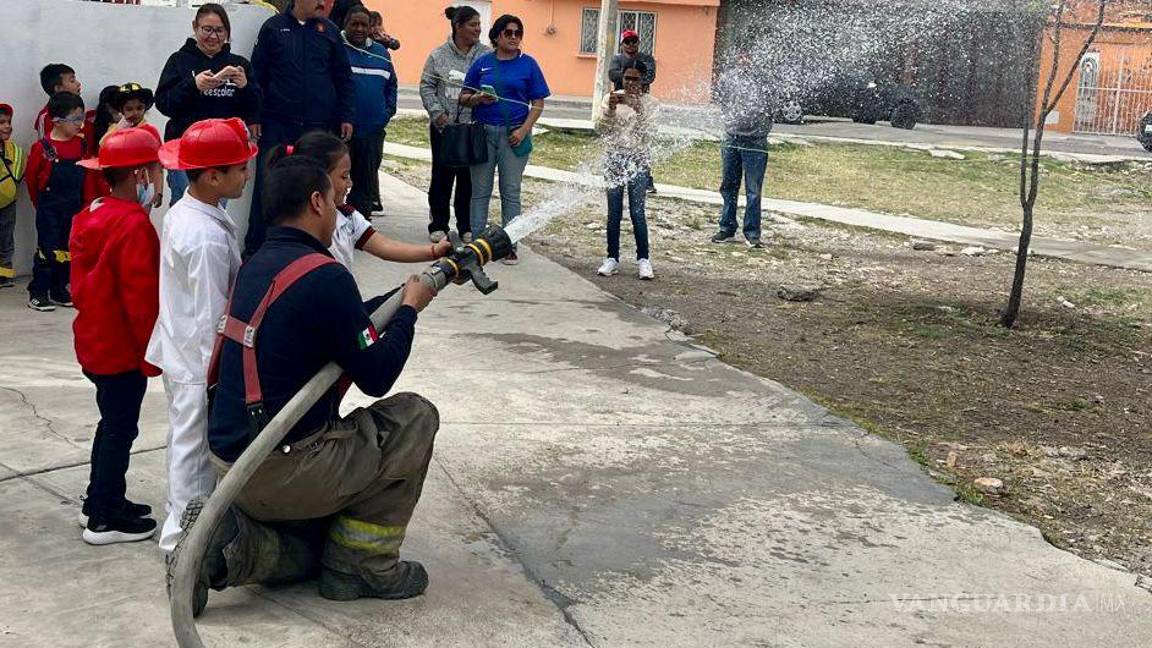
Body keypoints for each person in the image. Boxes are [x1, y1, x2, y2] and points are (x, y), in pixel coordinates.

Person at [172, 155, 439, 614]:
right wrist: (410, 313)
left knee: (316, 544)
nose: (337, 211)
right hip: (286, 470)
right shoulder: (326, 276)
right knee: (414, 417)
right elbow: (377, 375)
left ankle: (223, 548)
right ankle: (365, 566)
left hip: (233, 463)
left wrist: (399, 299)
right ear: (317, 202)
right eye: (335, 201)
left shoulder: (258, 264)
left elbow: (344, 322)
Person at [146, 118, 258, 554]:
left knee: (183, 443)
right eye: (240, 168)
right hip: (196, 358)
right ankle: (183, 546)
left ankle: (182, 527)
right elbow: (214, 313)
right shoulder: (206, 238)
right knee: (193, 456)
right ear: (213, 176)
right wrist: (222, 368)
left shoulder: (186, 212)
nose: (247, 175)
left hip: (179, 347)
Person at [70, 128, 164, 545]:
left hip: (94, 342)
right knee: (120, 430)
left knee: (110, 425)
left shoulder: (91, 213)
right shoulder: (133, 226)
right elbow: (140, 301)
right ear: (140, 176)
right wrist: (152, 356)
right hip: (122, 350)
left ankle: (100, 499)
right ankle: (103, 518)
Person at [248, 0, 356, 256]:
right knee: (268, 185)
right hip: (277, 125)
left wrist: (347, 116)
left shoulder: (329, 32)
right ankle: (256, 248)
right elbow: (257, 76)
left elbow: (344, 79)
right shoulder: (273, 28)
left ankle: (312, 248)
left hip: (317, 128)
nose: (322, 3)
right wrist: (254, 116)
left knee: (315, 187)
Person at [270, 131, 451, 269]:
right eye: (344, 176)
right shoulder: (296, 224)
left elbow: (385, 246)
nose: (350, 183)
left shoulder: (348, 216)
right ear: (319, 177)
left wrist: (434, 251)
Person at [459, 14, 549, 266]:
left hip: (514, 135)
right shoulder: (482, 63)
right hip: (483, 133)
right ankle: (476, 245)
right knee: (480, 192)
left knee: (511, 192)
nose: (513, 37)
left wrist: (523, 131)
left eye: (518, 33)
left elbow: (538, 103)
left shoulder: (528, 64)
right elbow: (463, 97)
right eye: (508, 33)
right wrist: (478, 99)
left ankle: (509, 245)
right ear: (496, 36)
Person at [155, 2, 262, 206]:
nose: (213, 36)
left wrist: (246, 87)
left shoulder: (239, 64)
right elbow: (163, 103)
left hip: (225, 155)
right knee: (185, 208)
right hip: (185, 151)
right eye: (207, 29)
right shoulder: (178, 61)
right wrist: (193, 85)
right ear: (195, 27)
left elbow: (253, 108)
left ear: (227, 33)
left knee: (218, 211)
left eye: (220, 30)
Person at [420, 5, 490, 244]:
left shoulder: (485, 56)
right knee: (442, 175)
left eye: (479, 24)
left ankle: (466, 226)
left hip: (473, 127)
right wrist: (438, 114)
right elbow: (426, 86)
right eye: (473, 24)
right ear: (458, 27)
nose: (478, 29)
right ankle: (438, 224)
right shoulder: (438, 55)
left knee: (468, 179)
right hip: (445, 127)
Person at [25, 92, 90, 312]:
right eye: (75, 119)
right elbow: (32, 180)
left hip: (74, 205)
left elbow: (87, 175)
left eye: (81, 117)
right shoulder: (43, 148)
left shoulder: (81, 145)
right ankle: (38, 291)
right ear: (57, 121)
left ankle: (59, 288)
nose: (80, 123)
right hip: (49, 207)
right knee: (47, 248)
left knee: (67, 248)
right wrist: (40, 205)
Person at [594, 61, 656, 280]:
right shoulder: (611, 98)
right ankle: (612, 257)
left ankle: (644, 259)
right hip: (614, 158)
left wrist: (637, 108)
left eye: (635, 79)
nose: (630, 83)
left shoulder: (651, 103)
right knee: (614, 211)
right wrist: (610, 110)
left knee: (637, 211)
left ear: (643, 80)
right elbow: (600, 130)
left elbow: (649, 135)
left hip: (638, 160)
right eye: (627, 78)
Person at [341, 5, 397, 220]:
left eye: (364, 24)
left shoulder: (381, 53)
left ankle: (359, 229)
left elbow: (392, 85)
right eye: (354, 24)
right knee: (336, 183)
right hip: (341, 131)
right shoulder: (336, 48)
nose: (359, 29)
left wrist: (387, 112)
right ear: (345, 25)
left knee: (364, 186)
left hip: (372, 131)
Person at [710, 62, 774, 249]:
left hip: (755, 141)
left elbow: (773, 105)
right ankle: (727, 227)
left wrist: (762, 127)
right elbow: (720, 99)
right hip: (731, 137)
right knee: (729, 185)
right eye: (742, 55)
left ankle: (752, 233)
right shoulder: (730, 78)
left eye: (749, 56)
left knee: (753, 190)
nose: (745, 60)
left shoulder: (765, 79)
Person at [609, 30, 658, 194]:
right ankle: (618, 175)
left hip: (640, 100)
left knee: (643, 140)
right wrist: (629, 74)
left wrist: (636, 78)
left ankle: (646, 178)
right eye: (627, 41)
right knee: (619, 137)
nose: (631, 44)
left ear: (638, 42)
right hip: (621, 102)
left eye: (634, 41)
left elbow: (650, 76)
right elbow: (612, 74)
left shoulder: (647, 58)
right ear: (622, 43)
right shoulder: (617, 58)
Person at [103, 83, 164, 209]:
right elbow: (103, 146)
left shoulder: (150, 131)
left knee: (141, 221)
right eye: (129, 109)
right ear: (122, 111)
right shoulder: (115, 130)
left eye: (139, 108)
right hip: (122, 187)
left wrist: (159, 191)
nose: (135, 112)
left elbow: (157, 165)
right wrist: (121, 127)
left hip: (145, 186)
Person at [0, 103, 27, 289]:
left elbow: (21, 171)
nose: (7, 126)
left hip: (7, 202)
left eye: (9, 122)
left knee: (5, 238)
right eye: (1, 122)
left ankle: (4, 274)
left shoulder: (14, 150)